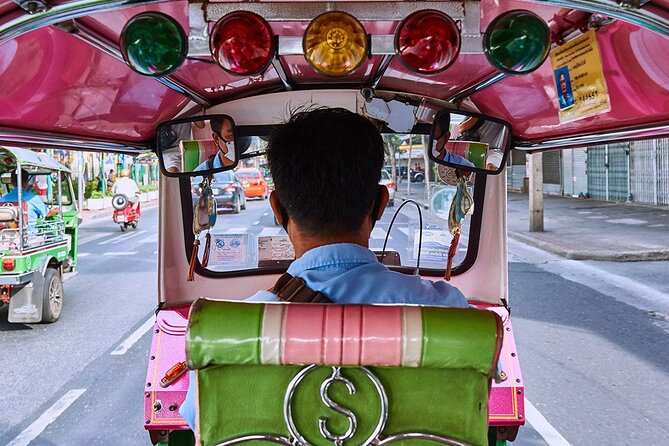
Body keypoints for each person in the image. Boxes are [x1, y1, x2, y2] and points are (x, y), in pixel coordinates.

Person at [180, 107, 469, 429]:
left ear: (276, 209)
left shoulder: (223, 336)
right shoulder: (449, 312)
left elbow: (202, 425)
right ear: (381, 203)